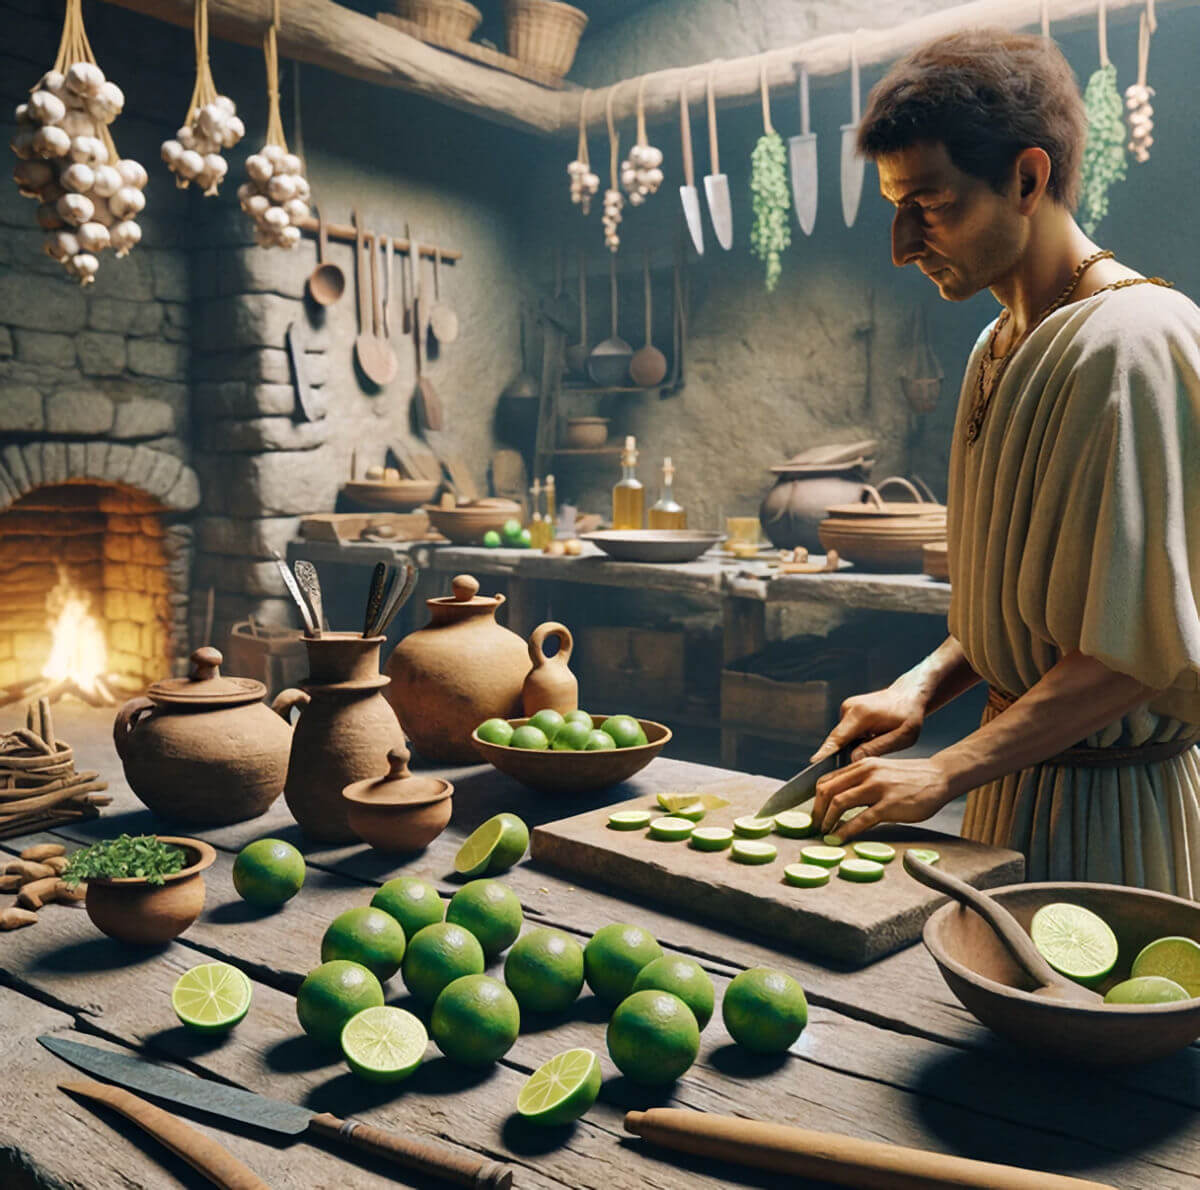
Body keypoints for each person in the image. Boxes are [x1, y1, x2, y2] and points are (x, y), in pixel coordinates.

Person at [809, 29, 1200, 894]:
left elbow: (1135, 652)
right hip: (1009, 789)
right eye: (894, 206)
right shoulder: (1000, 341)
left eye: (931, 203)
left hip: (1111, 815)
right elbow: (1037, 610)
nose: (902, 243)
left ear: (1027, 179)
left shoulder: (1135, 343)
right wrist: (919, 687)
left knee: (1097, 1015)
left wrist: (948, 770)